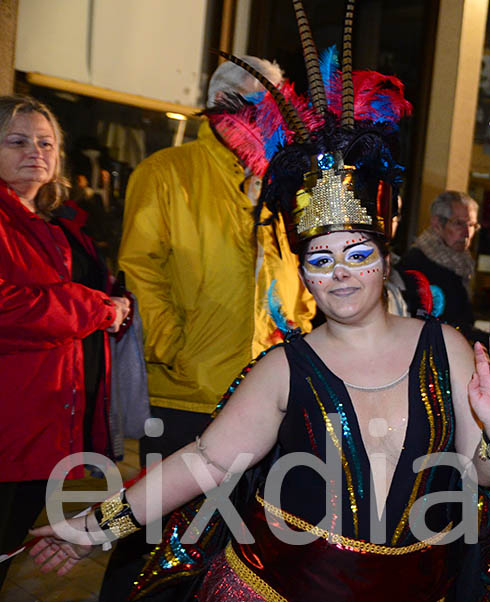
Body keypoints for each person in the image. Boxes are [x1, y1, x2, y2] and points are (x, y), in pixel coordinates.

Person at [28, 10, 490, 600]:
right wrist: (95, 527)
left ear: (386, 257)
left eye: (356, 253)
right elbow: (203, 462)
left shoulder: (445, 348)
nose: (339, 273)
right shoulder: (283, 368)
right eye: (319, 258)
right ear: (304, 272)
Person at [101, 55, 316, 599]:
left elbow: (305, 278)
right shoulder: (167, 172)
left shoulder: (283, 186)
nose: (274, 121)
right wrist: (176, 348)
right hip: (184, 397)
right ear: (226, 107)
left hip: (263, 401)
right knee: (148, 544)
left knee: (229, 553)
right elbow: (140, 273)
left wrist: (301, 341)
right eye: (263, 107)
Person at [0, 95, 131, 587]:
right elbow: (10, 308)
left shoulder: (53, 226)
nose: (35, 151)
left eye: (45, 142)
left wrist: (113, 302)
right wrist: (94, 307)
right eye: (16, 141)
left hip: (44, 427)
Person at [399, 190, 487, 340]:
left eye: (472, 225)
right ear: (437, 223)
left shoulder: (463, 264)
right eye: (459, 223)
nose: (467, 233)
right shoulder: (415, 265)